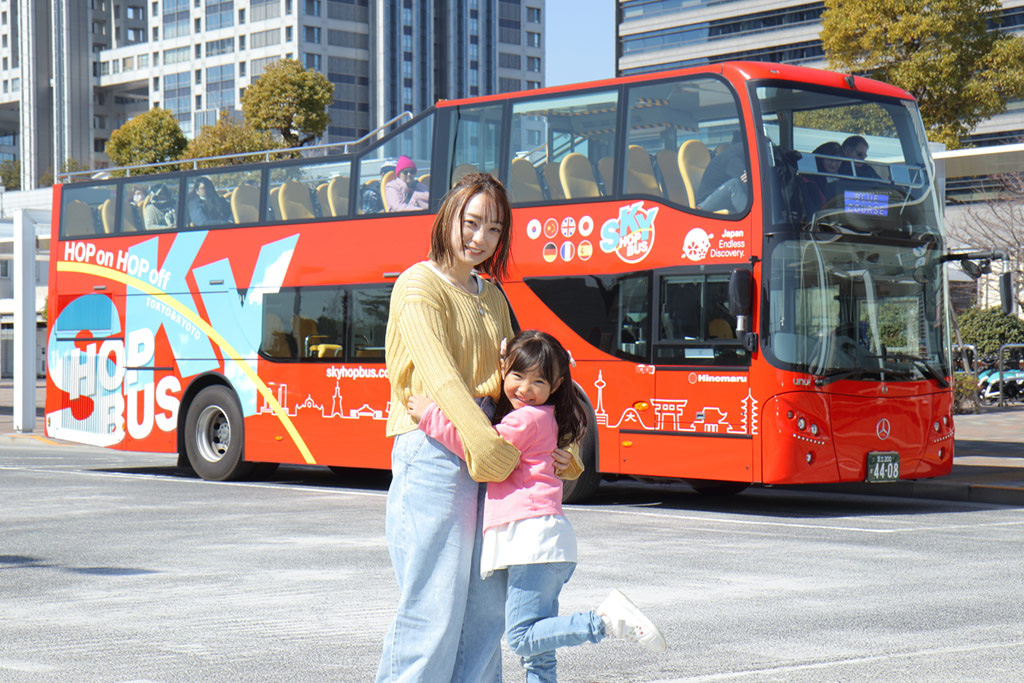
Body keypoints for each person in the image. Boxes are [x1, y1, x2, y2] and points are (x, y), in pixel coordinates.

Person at [377, 172, 583, 683]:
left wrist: (566, 445)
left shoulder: (490, 294)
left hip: (492, 452)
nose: (480, 239)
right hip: (435, 449)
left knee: (487, 611)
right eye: (471, 223)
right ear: (447, 217)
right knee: (433, 607)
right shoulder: (417, 284)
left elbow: (526, 375)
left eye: (493, 229)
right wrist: (481, 442)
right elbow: (440, 374)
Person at [408, 329, 667, 682]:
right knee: (538, 657)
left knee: (522, 636)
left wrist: (430, 416)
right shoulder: (546, 419)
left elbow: (485, 450)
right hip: (546, 541)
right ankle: (604, 622)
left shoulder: (526, 418)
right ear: (503, 370)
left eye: (538, 381)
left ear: (556, 385)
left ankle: (605, 621)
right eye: (517, 376)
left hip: (531, 541)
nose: (525, 389)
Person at [696, 132, 749, 214]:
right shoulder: (733, 158)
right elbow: (747, 184)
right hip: (704, 204)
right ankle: (754, 219)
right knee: (734, 184)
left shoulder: (738, 154)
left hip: (720, 199)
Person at [800, 141, 843, 214]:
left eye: (838, 161)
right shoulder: (811, 177)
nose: (834, 164)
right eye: (830, 160)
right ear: (821, 159)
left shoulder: (846, 175)